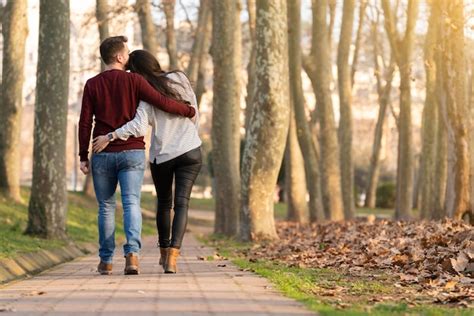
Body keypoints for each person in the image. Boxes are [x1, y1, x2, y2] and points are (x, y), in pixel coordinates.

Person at [78, 36, 195, 276]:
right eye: (127, 53)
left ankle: (106, 260)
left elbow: (84, 122)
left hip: (102, 152)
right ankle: (132, 257)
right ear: (120, 57)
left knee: (106, 207)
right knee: (132, 203)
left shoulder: (92, 84)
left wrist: (83, 154)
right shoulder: (135, 81)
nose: (130, 57)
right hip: (131, 151)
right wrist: (188, 110)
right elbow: (162, 102)